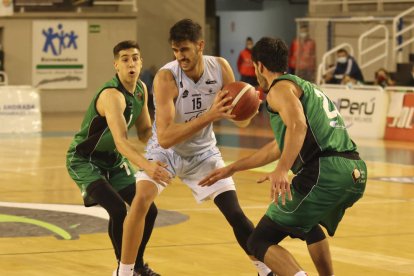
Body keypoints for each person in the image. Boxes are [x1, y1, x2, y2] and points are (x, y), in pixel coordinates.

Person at [199, 37, 367, 276]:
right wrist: (233, 168)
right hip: (354, 172)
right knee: (308, 225)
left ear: (259, 67)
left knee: (258, 241)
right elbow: (278, 146)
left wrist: (281, 169)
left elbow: (298, 126)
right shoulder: (304, 87)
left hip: (324, 172)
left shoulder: (279, 89)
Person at [118, 19, 272, 276]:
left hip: (202, 152)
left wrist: (249, 107)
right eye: (175, 51)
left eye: (185, 50)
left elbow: (241, 122)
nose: (180, 56)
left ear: (200, 46)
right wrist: (210, 116)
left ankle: (265, 270)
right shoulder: (166, 77)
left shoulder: (220, 68)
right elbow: (165, 137)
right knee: (140, 201)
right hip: (165, 151)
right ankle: (124, 272)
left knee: (234, 212)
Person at [66, 40, 170, 276]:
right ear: (116, 65)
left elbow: (145, 132)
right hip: (84, 160)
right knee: (118, 210)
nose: (131, 63)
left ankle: (138, 266)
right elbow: (122, 142)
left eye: (135, 58)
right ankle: (124, 269)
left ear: (141, 62)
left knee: (149, 210)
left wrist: (166, 145)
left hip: (112, 160)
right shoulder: (112, 96)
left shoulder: (142, 89)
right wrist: (147, 166)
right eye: (125, 59)